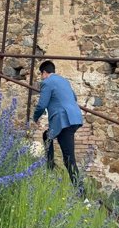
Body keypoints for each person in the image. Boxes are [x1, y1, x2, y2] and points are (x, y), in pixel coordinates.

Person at [32, 60, 84, 191]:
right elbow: (74, 98)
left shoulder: (46, 82)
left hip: (63, 120)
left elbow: (42, 104)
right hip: (74, 118)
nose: (41, 77)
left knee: (69, 159)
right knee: (47, 136)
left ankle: (81, 192)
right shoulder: (64, 81)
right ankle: (50, 167)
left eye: (41, 74)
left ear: (44, 72)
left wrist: (35, 117)